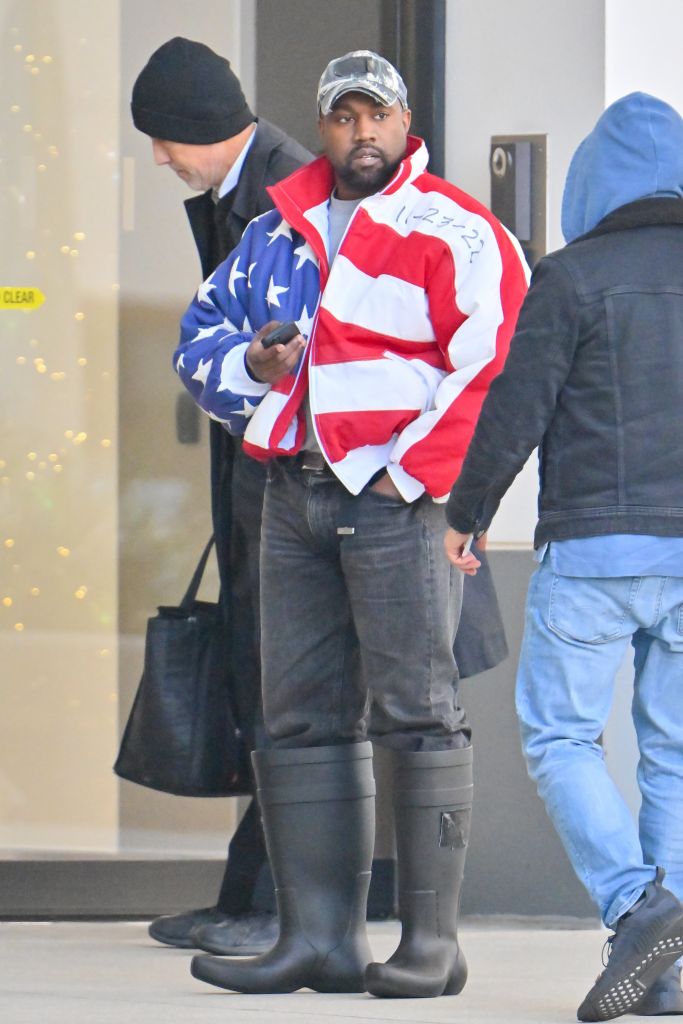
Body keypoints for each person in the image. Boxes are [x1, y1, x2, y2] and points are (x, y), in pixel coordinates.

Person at [173, 49, 528, 997]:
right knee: (296, 714)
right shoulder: (274, 231)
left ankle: (431, 945)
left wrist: (410, 477)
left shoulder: (454, 227)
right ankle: (317, 941)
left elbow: (494, 362)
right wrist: (253, 366)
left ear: (405, 123)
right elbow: (197, 339)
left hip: (395, 499)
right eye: (343, 116)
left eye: (377, 115)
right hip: (289, 491)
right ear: (323, 126)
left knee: (417, 709)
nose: (362, 132)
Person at [444, 92, 683, 1021]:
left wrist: (467, 514)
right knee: (674, 750)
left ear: (591, 184)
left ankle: (635, 907)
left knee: (559, 737)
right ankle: (667, 964)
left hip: (592, 551)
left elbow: (518, 405)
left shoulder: (570, 276)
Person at [131, 36, 312, 957]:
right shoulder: (242, 193)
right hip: (263, 488)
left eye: (162, 139)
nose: (159, 158)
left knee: (290, 693)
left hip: (294, 495)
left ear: (198, 127)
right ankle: (250, 895)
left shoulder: (284, 198)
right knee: (266, 685)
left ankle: (284, 907)